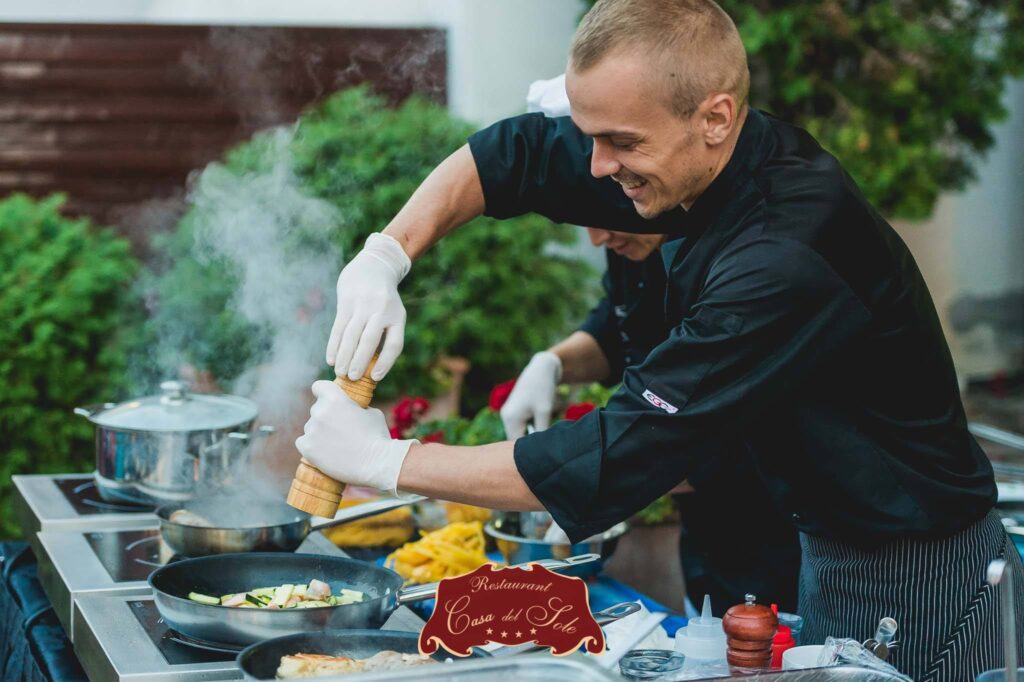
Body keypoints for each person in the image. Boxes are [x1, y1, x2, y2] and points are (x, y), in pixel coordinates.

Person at [298, 1, 1024, 678]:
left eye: (619, 142)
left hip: (922, 567)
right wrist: (386, 255)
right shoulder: (680, 159)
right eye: (590, 137)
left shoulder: (782, 255)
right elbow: (510, 158)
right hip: (827, 545)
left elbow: (617, 453)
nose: (597, 168)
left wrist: (387, 460)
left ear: (715, 117)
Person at [502, 74, 801, 614]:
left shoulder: (742, 262)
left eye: (604, 219)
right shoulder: (632, 239)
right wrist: (552, 363)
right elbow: (615, 331)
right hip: (706, 542)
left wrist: (620, 482)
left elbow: (696, 427)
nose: (598, 238)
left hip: (783, 534)